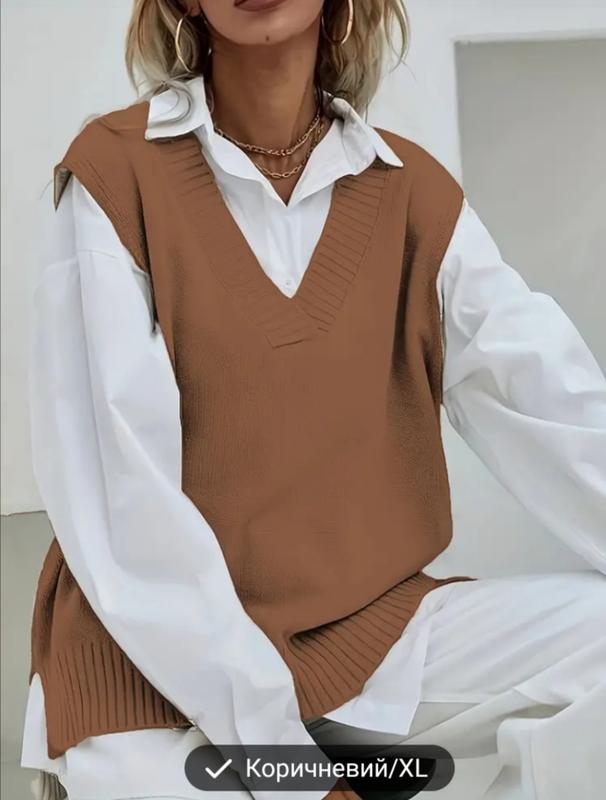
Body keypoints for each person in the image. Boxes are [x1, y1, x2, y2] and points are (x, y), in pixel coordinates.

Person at [21, 1, 606, 799]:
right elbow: (127, 517)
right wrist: (295, 776)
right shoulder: (116, 176)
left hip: (363, 639)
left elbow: (557, 409)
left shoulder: (411, 194)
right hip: (150, 672)